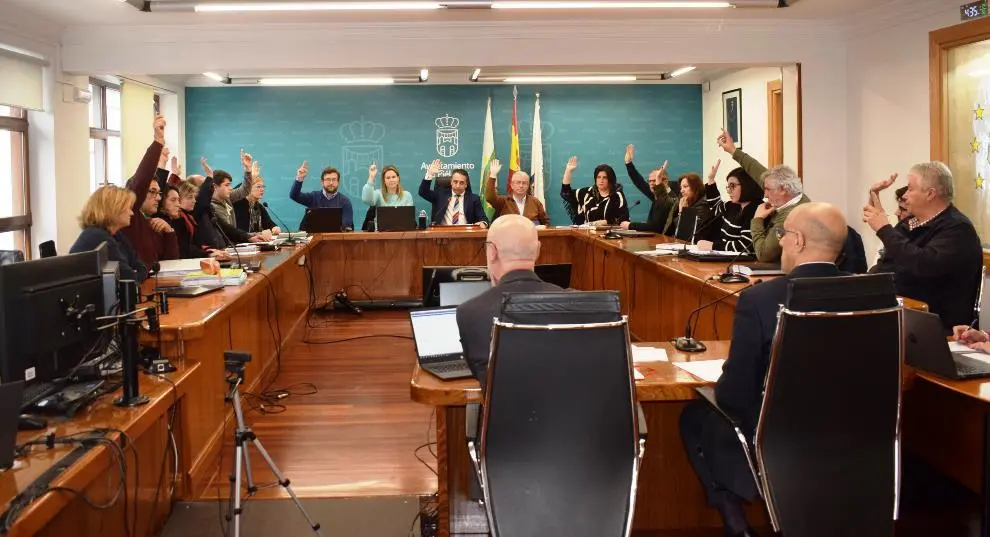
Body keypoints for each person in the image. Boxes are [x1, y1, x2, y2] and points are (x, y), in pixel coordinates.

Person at [679, 202, 849, 537]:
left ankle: (737, 525)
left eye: (783, 235)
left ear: (798, 241)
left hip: (777, 441)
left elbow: (734, 395)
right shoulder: (877, 296)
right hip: (855, 439)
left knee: (695, 418)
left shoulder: (761, 300)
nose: (780, 242)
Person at [864, 161, 983, 331]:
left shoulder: (958, 229)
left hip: (934, 324)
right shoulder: (909, 223)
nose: (905, 195)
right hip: (897, 314)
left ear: (930, 194)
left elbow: (923, 264)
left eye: (910, 189)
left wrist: (884, 229)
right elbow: (889, 262)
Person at [456, 214, 563, 389]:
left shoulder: (471, 313)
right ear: (537, 250)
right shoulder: (579, 305)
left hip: (503, 416)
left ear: (492, 252)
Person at [717, 130, 810, 262]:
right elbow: (755, 169)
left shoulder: (790, 216)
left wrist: (757, 220)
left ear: (783, 189)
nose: (765, 194)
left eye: (767, 189)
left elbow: (763, 254)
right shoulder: (792, 193)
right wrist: (733, 150)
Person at [119, 115, 179, 268]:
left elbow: (170, 265)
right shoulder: (129, 218)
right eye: (152, 192)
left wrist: (169, 232)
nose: (158, 198)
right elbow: (141, 180)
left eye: (159, 193)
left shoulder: (153, 222)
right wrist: (158, 142)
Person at [70, 185, 148, 282]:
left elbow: (140, 266)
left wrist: (138, 273)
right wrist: (137, 273)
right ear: (114, 209)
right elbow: (128, 278)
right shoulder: (97, 237)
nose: (131, 213)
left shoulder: (116, 234)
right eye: (128, 208)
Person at [701, 159, 763, 252]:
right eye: (728, 187)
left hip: (743, 264)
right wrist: (711, 180)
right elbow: (715, 208)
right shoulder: (733, 205)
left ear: (747, 185)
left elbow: (746, 246)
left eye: (733, 186)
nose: (729, 191)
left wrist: (713, 246)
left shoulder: (756, 209)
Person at [619, 144, 677, 233]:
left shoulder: (672, 199)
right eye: (649, 181)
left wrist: (630, 225)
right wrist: (628, 163)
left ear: (665, 181)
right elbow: (639, 182)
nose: (651, 184)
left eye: (655, 180)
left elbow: (656, 227)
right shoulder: (656, 195)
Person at [560, 157, 629, 225]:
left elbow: (623, 218)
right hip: (587, 233)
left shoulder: (617, 195)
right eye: (598, 177)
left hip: (609, 234)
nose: (601, 180)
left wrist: (604, 222)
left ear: (610, 179)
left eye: (604, 178)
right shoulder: (588, 193)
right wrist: (568, 171)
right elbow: (566, 193)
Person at [418, 159, 488, 226]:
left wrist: (483, 223)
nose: (458, 185)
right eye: (455, 182)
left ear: (466, 184)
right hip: (443, 233)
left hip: (465, 233)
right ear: (451, 182)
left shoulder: (474, 199)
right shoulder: (440, 195)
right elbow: (423, 192)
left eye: (461, 183)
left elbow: (483, 219)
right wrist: (430, 174)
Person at [289, 160, 355, 231]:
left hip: (336, 239)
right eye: (328, 179)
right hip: (314, 238)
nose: (331, 183)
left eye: (334, 179)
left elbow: (347, 225)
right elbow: (294, 195)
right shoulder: (313, 197)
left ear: (338, 182)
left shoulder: (345, 201)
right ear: (322, 182)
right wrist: (299, 178)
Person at [484, 159, 550, 225]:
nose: (521, 186)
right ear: (512, 185)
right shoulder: (503, 201)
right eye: (518, 182)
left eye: (524, 183)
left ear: (528, 186)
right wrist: (493, 175)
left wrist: (543, 227)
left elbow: (545, 222)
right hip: (509, 234)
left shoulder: (535, 202)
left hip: (530, 234)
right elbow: (490, 197)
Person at [233, 161, 281, 239]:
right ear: (249, 188)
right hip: (241, 242)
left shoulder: (259, 207)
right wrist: (251, 176)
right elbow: (237, 190)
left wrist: (275, 228)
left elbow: (269, 224)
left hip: (255, 243)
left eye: (263, 187)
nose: (262, 189)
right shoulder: (238, 202)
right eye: (258, 187)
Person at [662, 172, 711, 239]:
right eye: (681, 188)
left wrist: (683, 212)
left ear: (696, 187)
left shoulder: (703, 206)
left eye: (685, 187)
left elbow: (686, 234)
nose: (682, 190)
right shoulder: (683, 201)